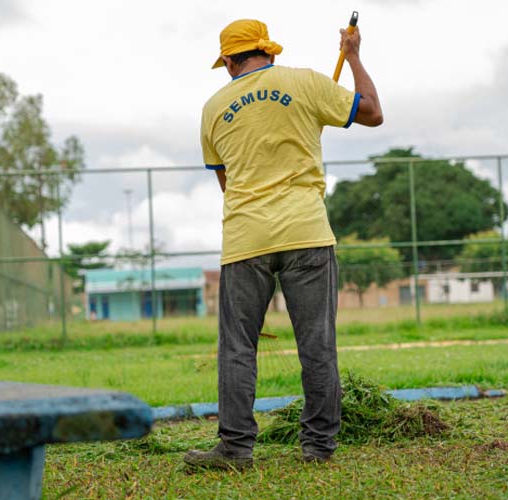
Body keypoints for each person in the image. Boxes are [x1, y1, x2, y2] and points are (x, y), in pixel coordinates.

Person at [184, 18, 383, 470]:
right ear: (269, 51)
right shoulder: (307, 83)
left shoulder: (214, 108)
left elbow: (227, 184)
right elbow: (372, 111)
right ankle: (318, 447)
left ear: (229, 61)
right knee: (317, 344)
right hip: (306, 232)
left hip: (246, 237)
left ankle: (235, 449)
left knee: (238, 347)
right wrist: (353, 56)